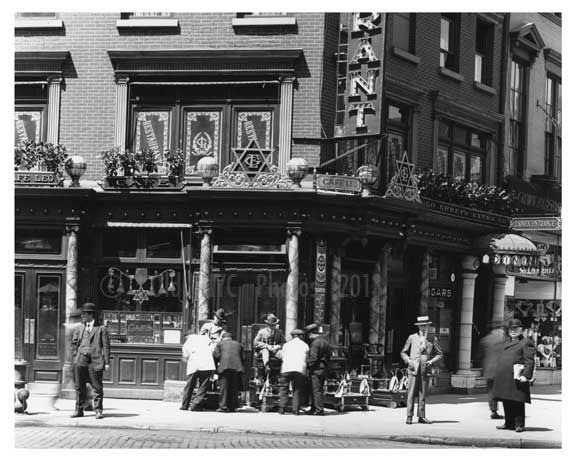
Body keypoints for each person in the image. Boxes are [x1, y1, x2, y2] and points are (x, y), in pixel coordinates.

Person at [493, 318, 536, 433]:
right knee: (506, 400)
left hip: (517, 376)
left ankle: (519, 425)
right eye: (511, 329)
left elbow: (530, 361)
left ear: (521, 330)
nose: (513, 331)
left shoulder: (526, 342)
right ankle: (509, 423)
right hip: (504, 377)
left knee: (517, 401)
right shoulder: (506, 342)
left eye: (516, 329)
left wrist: (526, 376)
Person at [70, 302, 111, 419]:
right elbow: (74, 343)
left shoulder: (101, 328)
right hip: (80, 360)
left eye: (84, 314)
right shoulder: (80, 328)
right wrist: (76, 355)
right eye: (82, 314)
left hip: (95, 361)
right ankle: (79, 410)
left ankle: (98, 410)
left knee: (97, 387)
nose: (82, 316)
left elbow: (106, 346)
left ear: (91, 315)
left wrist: (107, 362)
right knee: (79, 386)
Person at [400, 315, 443, 425]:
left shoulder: (432, 338)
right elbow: (403, 352)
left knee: (422, 394)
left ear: (428, 326)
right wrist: (408, 360)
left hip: (425, 369)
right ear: (418, 327)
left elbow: (440, 354)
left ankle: (422, 416)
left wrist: (431, 361)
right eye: (421, 326)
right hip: (413, 368)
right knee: (411, 394)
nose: (423, 328)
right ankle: (409, 416)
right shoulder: (412, 337)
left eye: (425, 326)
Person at [180, 327, 216, 411]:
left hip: (194, 365)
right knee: (203, 386)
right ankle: (196, 405)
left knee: (189, 386)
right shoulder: (205, 339)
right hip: (207, 364)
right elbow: (213, 349)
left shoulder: (188, 341)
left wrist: (186, 358)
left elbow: (185, 355)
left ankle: (185, 405)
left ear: (187, 336)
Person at [477, 321, 506, 419]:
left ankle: (493, 411)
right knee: (505, 390)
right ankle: (508, 411)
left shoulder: (485, 340)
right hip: (502, 369)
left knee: (491, 391)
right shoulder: (505, 340)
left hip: (489, 370)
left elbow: (479, 356)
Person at [278, 329, 309, 416]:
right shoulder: (305, 345)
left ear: (292, 336)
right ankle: (296, 410)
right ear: (301, 336)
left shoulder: (286, 345)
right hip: (299, 369)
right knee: (297, 389)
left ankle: (282, 408)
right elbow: (306, 357)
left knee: (284, 388)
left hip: (286, 368)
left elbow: (282, 356)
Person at [213, 332, 245, 413]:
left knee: (224, 387)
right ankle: (232, 406)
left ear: (223, 338)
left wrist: (216, 368)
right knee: (233, 387)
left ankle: (223, 406)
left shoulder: (220, 344)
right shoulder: (239, 344)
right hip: (236, 368)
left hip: (224, 367)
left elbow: (216, 356)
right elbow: (243, 358)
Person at [305, 323, 331, 416]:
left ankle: (319, 410)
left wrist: (307, 364)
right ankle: (314, 407)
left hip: (316, 369)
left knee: (316, 390)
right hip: (323, 368)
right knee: (317, 389)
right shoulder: (325, 341)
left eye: (308, 334)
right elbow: (329, 355)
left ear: (311, 333)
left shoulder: (315, 343)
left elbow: (314, 358)